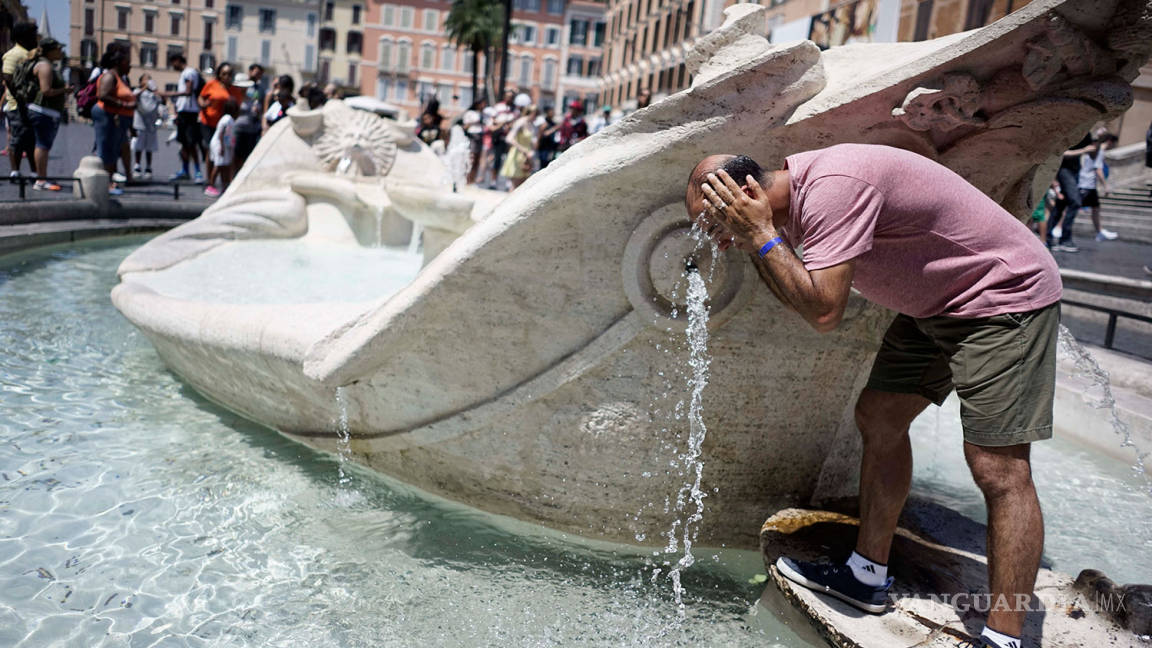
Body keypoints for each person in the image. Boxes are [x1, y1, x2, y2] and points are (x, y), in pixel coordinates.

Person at [686, 144, 1061, 648]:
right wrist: (758, 238)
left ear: (748, 192)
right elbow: (799, 297)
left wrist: (759, 234)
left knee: (999, 468)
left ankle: (1005, 636)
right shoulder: (785, 210)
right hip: (936, 303)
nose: (715, 235)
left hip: (1001, 297)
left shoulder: (832, 190)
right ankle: (866, 574)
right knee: (879, 417)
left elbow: (823, 312)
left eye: (715, 220)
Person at [26, 38, 71, 191]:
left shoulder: (45, 64)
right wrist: (65, 90)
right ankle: (40, 180)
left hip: (43, 111)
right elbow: (46, 91)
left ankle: (41, 176)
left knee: (42, 145)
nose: (61, 52)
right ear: (51, 50)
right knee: (42, 146)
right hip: (44, 111)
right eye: (58, 49)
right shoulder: (45, 66)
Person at [93, 45, 135, 195]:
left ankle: (109, 181)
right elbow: (102, 95)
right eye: (127, 62)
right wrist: (125, 104)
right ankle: (105, 184)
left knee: (112, 149)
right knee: (105, 149)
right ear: (119, 63)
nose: (129, 65)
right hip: (105, 115)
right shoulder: (110, 76)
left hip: (112, 116)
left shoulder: (119, 78)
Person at [197, 62, 243, 193]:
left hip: (225, 124)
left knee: (222, 154)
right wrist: (203, 104)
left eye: (229, 74)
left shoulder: (235, 90)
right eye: (224, 74)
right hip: (209, 122)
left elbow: (237, 107)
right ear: (219, 75)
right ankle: (209, 180)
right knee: (210, 150)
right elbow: (201, 97)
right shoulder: (212, 85)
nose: (227, 76)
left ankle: (221, 182)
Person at [2, 21, 38, 178]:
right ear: (23, 37)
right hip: (17, 105)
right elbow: (8, 78)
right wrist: (20, 98)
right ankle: (15, 171)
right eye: (32, 35)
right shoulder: (13, 55)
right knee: (17, 138)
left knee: (30, 140)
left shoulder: (30, 54)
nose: (35, 38)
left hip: (29, 104)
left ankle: (34, 172)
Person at [1048, 133, 1094, 252]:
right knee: (1075, 202)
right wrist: (1083, 150)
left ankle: (1048, 237)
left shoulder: (1087, 134)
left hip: (1075, 171)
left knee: (1061, 204)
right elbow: (1062, 153)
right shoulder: (1073, 130)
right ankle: (1065, 239)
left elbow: (1092, 152)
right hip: (1064, 170)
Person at [163, 53, 204, 183]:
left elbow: (188, 91)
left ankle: (198, 172)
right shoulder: (185, 73)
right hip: (183, 113)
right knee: (184, 144)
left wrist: (169, 93)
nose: (172, 66)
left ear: (177, 60)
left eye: (172, 63)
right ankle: (185, 170)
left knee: (191, 144)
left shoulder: (188, 73)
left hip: (189, 113)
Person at [1078, 132, 1119, 242]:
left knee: (1096, 208)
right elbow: (1098, 169)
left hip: (1088, 185)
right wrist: (1106, 186)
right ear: (1110, 142)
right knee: (1071, 207)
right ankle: (1057, 228)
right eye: (1114, 144)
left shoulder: (1096, 149)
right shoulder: (1100, 150)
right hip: (1086, 184)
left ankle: (1100, 232)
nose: (1113, 146)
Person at [234, 63, 266, 169]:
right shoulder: (243, 85)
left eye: (260, 74)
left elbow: (262, 105)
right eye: (256, 73)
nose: (258, 76)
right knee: (236, 155)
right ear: (250, 71)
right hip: (239, 125)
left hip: (252, 126)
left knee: (247, 155)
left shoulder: (260, 89)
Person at [499, 104, 538, 190]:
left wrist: (531, 152)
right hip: (517, 154)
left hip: (527, 157)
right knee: (515, 184)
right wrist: (523, 149)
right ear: (531, 113)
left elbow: (533, 142)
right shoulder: (520, 122)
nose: (537, 116)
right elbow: (509, 138)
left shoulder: (532, 125)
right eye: (536, 114)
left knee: (524, 186)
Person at [205, 98, 238, 197]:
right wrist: (222, 147)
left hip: (224, 144)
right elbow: (221, 134)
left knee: (224, 165)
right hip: (220, 144)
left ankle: (224, 186)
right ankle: (210, 185)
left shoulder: (229, 119)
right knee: (218, 165)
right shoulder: (227, 119)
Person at [131, 74, 162, 180]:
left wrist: (154, 89)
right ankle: (137, 166)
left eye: (150, 79)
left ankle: (148, 167)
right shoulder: (137, 90)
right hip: (139, 123)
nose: (148, 81)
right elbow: (133, 97)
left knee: (150, 147)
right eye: (146, 79)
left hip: (151, 124)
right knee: (138, 146)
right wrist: (143, 87)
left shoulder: (153, 93)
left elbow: (161, 100)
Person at [534, 104, 559, 170]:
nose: (553, 113)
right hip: (543, 148)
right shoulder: (544, 123)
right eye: (551, 111)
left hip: (551, 147)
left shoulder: (553, 123)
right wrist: (553, 129)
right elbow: (542, 134)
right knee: (542, 166)